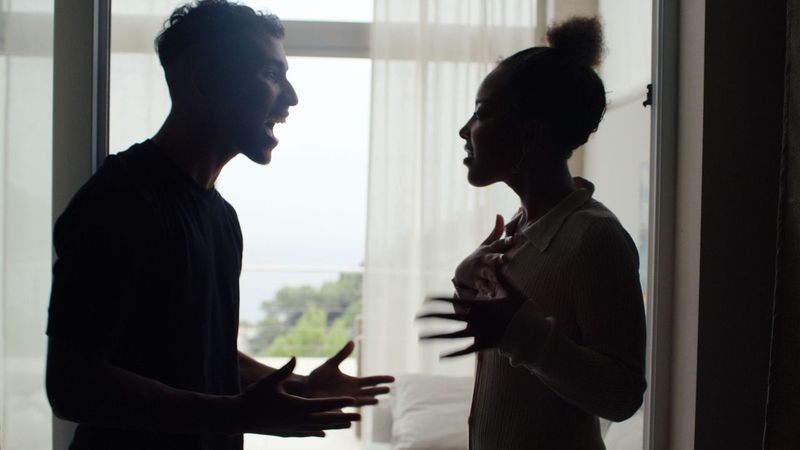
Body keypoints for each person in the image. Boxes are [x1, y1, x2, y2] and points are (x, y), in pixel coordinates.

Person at [45, 1, 393, 449]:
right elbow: (73, 386)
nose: (291, 96)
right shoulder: (120, 201)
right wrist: (236, 414)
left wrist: (303, 387)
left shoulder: (221, 216)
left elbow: (204, 353)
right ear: (204, 81)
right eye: (270, 74)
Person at [418, 17, 646, 449]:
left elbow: (622, 395)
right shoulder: (519, 237)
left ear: (530, 134)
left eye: (482, 113)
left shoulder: (595, 239)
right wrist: (467, 278)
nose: (465, 130)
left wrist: (522, 333)